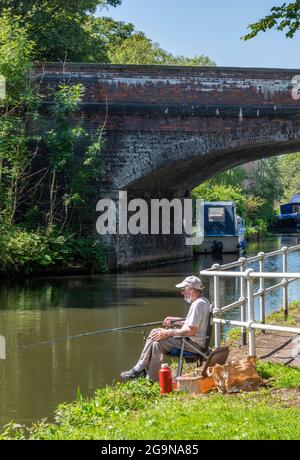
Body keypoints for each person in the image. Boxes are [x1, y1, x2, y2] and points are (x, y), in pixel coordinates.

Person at [120, 275, 211, 382]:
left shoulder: (197, 305)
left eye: (183, 289)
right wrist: (174, 321)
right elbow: (192, 322)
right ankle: (142, 369)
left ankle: (149, 376)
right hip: (194, 340)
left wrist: (169, 332)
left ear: (191, 289)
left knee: (156, 343)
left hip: (194, 344)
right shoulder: (203, 301)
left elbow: (191, 331)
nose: (181, 292)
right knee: (155, 332)